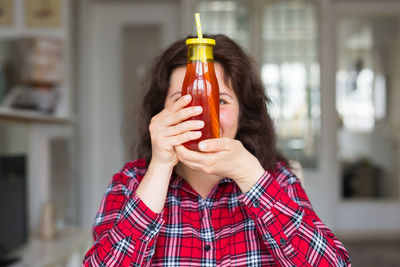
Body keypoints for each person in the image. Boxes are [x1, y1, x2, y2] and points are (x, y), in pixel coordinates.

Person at [83, 34, 351, 266]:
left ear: (243, 114)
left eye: (220, 100)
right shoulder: (131, 182)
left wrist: (250, 176)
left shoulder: (278, 178)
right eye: (183, 100)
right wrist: (161, 167)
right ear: (160, 113)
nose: (201, 116)